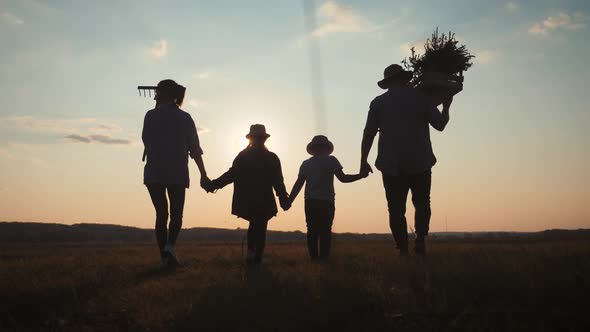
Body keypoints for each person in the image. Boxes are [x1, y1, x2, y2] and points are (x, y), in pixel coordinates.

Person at [360, 64, 453, 256]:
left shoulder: (378, 102)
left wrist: (363, 160)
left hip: (391, 164)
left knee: (395, 209)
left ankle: (402, 248)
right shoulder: (422, 98)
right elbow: (441, 125)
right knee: (422, 203)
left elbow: (369, 133)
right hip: (420, 161)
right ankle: (420, 239)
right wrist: (446, 106)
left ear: (387, 83)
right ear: (405, 79)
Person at [142, 79, 210, 267]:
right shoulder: (185, 118)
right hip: (177, 173)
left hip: (154, 172)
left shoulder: (150, 116)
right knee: (176, 215)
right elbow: (195, 149)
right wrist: (203, 174)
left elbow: (146, 141)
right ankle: (169, 248)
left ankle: (165, 254)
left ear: (160, 94)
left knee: (161, 214)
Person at [207, 124, 289, 266]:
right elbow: (278, 181)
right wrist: (283, 198)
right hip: (260, 199)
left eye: (259, 138)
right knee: (260, 227)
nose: (258, 140)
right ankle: (255, 257)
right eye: (258, 138)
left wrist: (214, 185)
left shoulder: (245, 156)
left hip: (249, 199)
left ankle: (253, 256)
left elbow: (231, 174)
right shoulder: (268, 157)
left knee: (256, 226)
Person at [286, 135, 368, 260]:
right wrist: (360, 176)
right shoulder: (331, 160)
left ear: (313, 148)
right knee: (325, 231)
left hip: (311, 202)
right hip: (326, 202)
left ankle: (314, 260)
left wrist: (289, 201)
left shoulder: (306, 164)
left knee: (312, 231)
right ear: (326, 147)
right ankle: (324, 259)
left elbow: (299, 184)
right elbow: (343, 178)